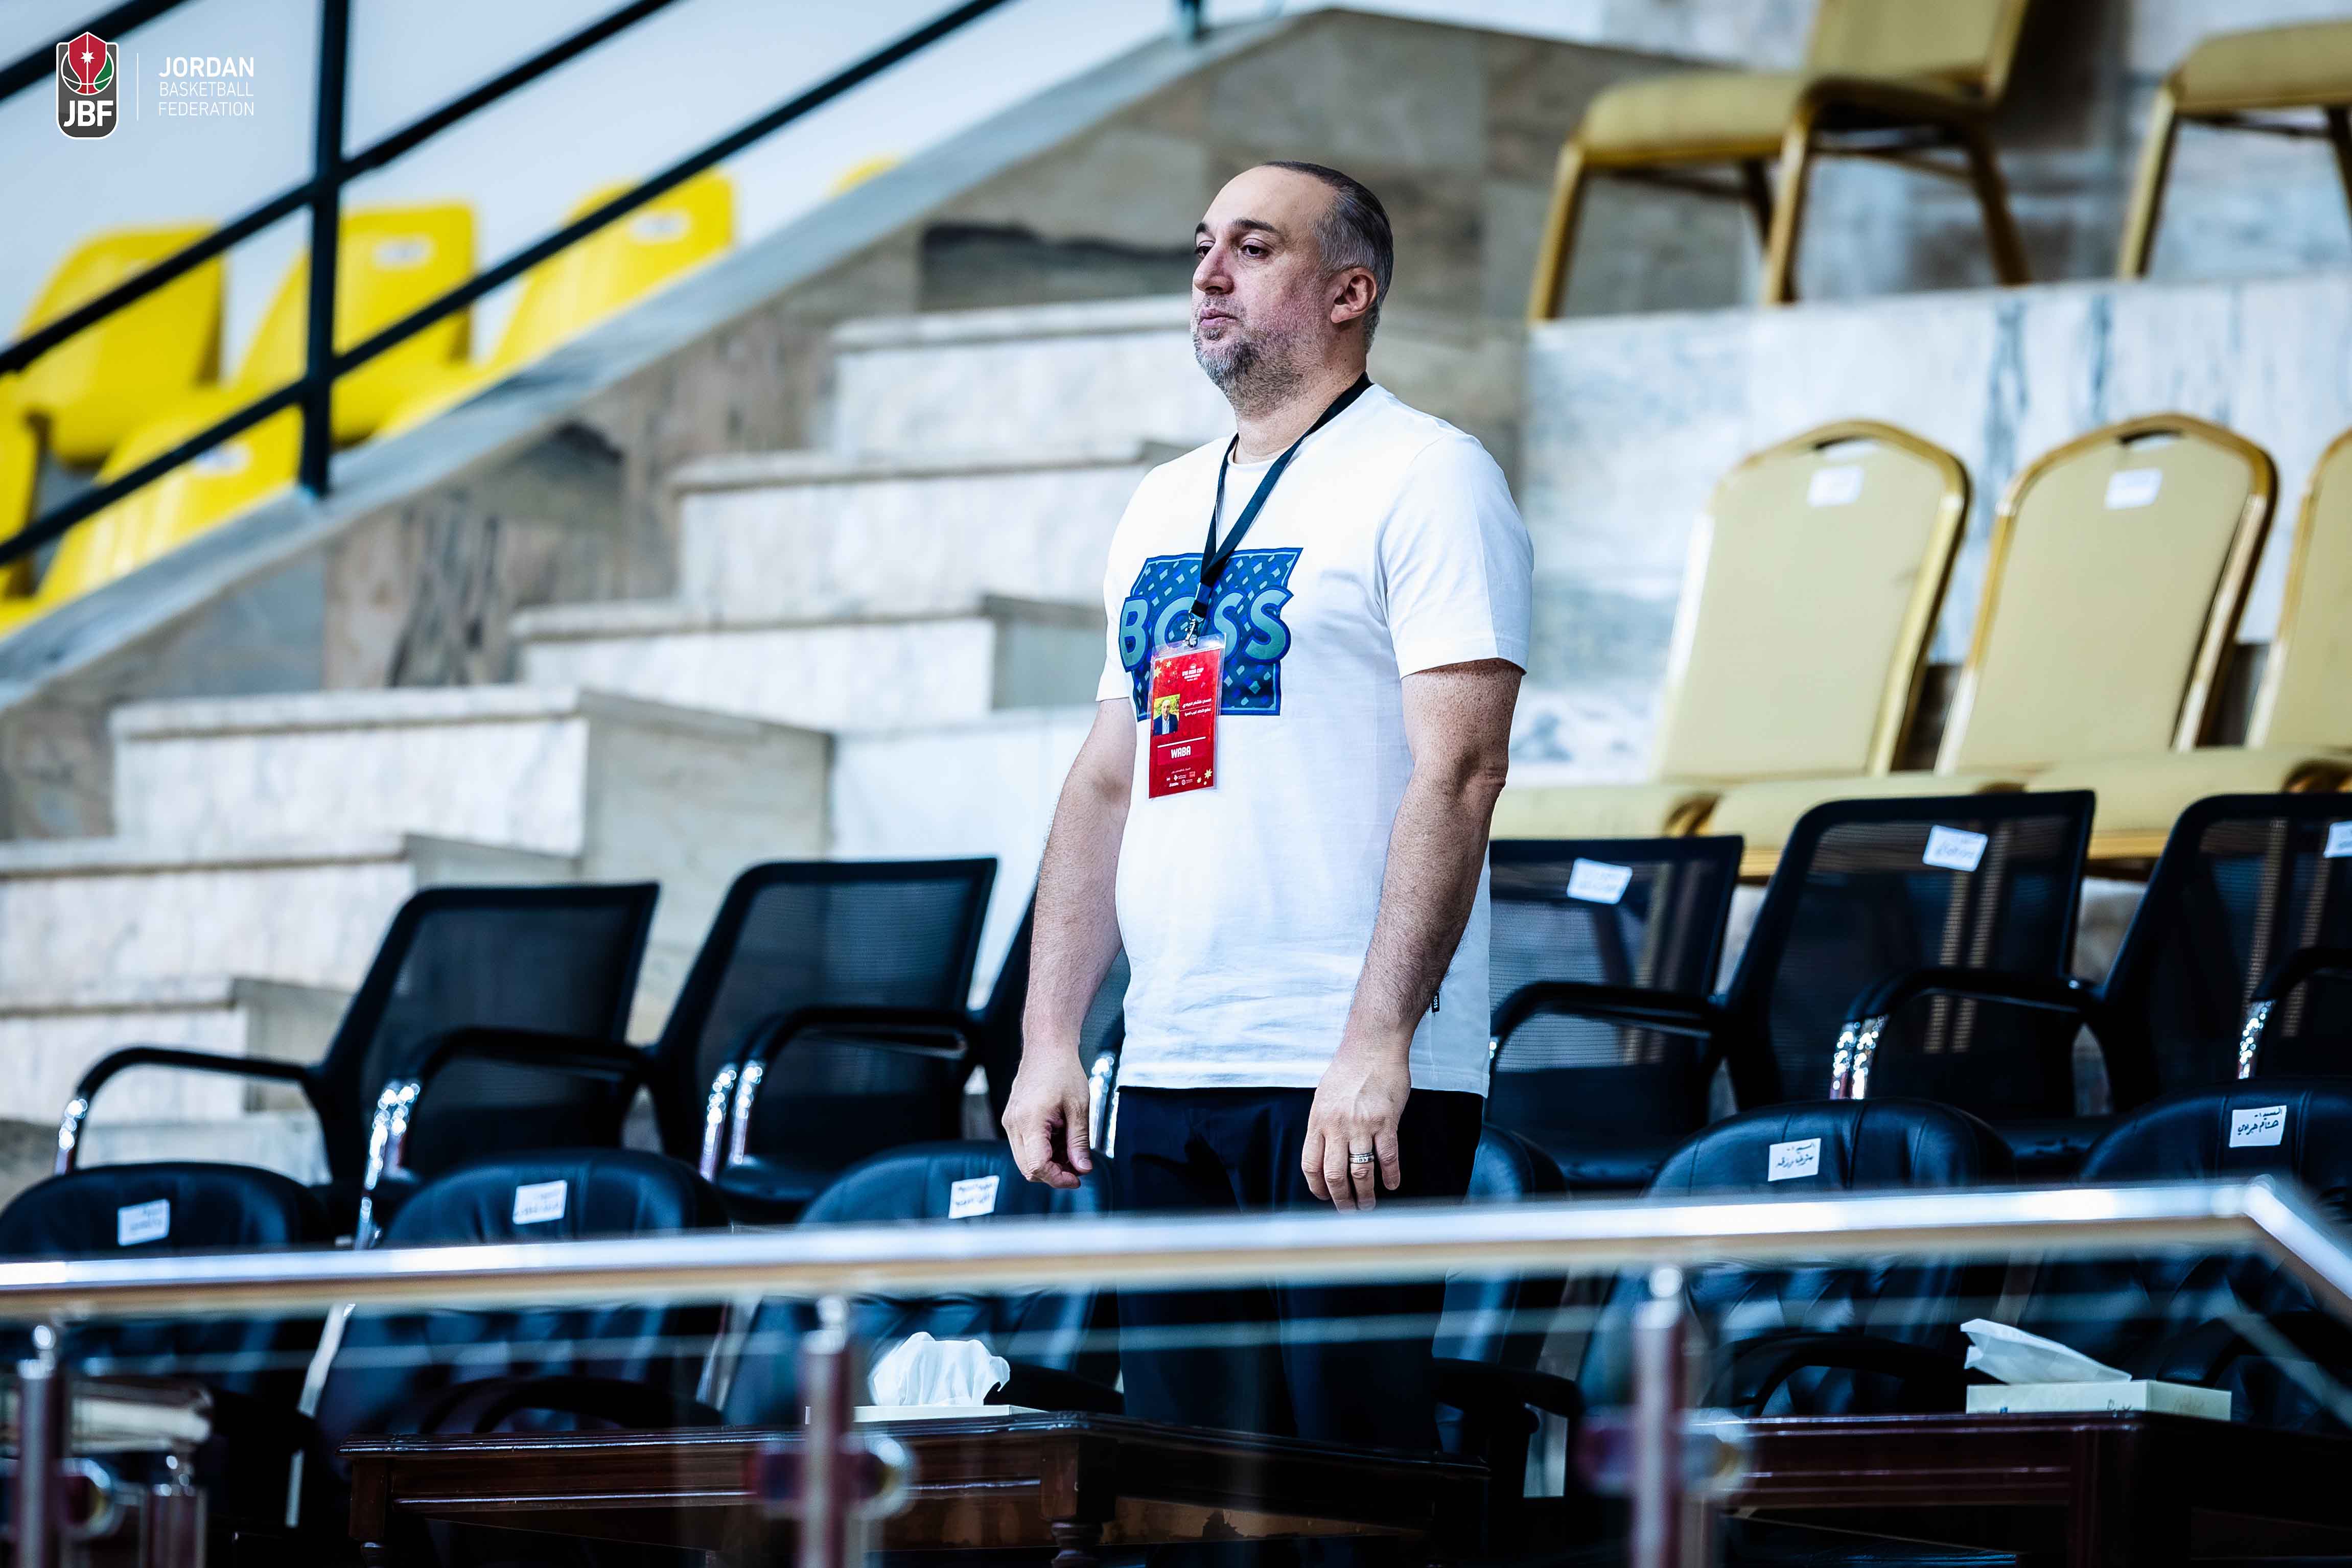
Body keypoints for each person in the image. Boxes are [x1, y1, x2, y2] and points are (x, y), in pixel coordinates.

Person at [1003, 161, 1532, 1460]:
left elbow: (1461, 771)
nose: (1207, 272)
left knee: (1345, 1485)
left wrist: (1374, 1041)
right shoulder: (1163, 500)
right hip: (1172, 1061)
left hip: (1342, 1068)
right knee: (1190, 1488)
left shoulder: (1429, 475)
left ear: (1349, 292)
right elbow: (1110, 775)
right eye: (1202, 244)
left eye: (1252, 246)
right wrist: (1051, 1035)